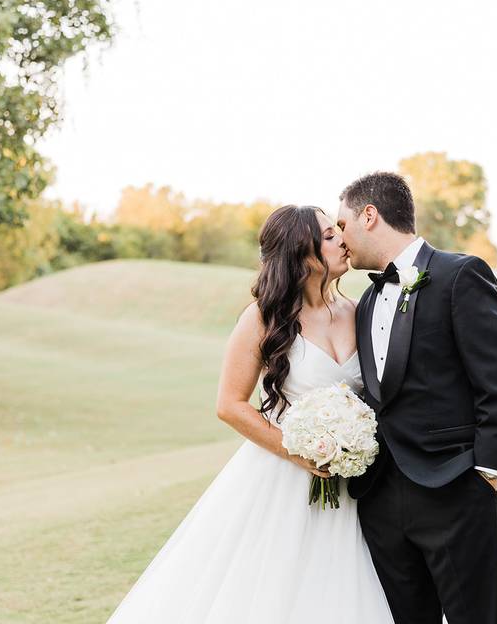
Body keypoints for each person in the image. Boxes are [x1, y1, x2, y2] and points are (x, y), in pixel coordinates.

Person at [104, 205, 395, 623]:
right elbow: (230, 405)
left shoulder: (359, 311)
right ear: (301, 253)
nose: (343, 241)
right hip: (282, 477)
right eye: (330, 236)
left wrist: (350, 445)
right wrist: (301, 453)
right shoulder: (263, 318)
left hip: (353, 483)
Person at [337, 171, 497, 624]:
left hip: (458, 494)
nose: (340, 240)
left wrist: (488, 476)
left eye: (342, 225)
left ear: (369, 215)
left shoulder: (461, 275)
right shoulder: (364, 302)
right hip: (381, 500)